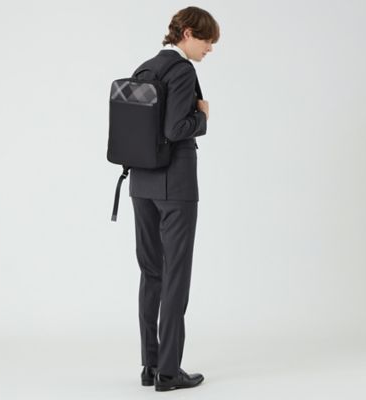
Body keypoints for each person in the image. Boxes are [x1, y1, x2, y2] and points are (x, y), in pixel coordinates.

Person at [129, 6, 220, 391]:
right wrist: (203, 117)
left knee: (151, 273)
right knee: (176, 277)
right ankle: (169, 372)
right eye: (206, 40)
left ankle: (150, 365)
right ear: (186, 33)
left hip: (140, 182)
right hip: (176, 187)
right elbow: (175, 128)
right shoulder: (182, 71)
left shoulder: (145, 68)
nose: (209, 49)